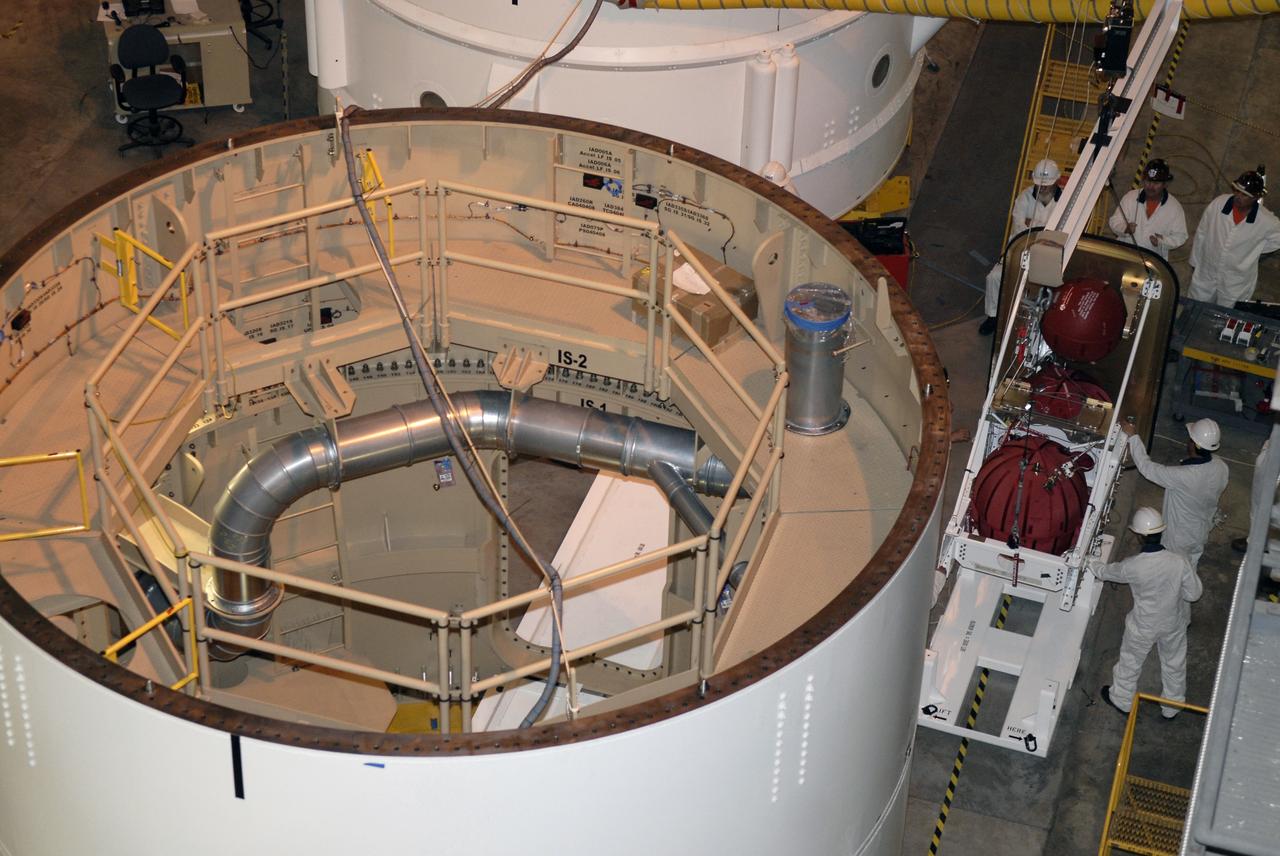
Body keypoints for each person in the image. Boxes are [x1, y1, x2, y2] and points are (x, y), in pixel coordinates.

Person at [1093, 506, 1203, 719]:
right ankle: (1172, 706)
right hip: (1173, 623)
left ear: (1139, 535)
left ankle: (1122, 699)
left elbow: (1107, 572)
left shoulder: (1133, 566)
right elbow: (1194, 594)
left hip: (1143, 626)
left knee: (1130, 661)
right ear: (1161, 532)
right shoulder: (1178, 561)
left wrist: (1090, 563)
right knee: (1174, 663)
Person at [1123, 417, 1228, 571]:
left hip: (1179, 539)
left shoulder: (1183, 476)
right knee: (1190, 567)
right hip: (1202, 531)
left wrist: (1133, 437)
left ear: (1194, 444)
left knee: (1172, 572)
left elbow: (1147, 468)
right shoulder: (1221, 467)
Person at [979, 159, 1062, 335]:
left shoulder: (1065, 202)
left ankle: (1043, 324)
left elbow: (1060, 233)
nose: (1043, 188)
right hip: (1020, 250)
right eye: (1040, 185)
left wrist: (1033, 224)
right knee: (994, 277)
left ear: (1057, 181)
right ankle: (993, 317)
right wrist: (1045, 230)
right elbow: (1019, 228)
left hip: (1048, 257)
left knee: (1050, 290)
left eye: (1047, 185)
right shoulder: (1024, 197)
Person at [1188, 167, 1280, 306]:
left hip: (1235, 282)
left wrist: (1253, 250)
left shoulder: (1266, 221)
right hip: (1206, 272)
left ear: (1256, 197)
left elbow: (1276, 241)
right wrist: (1195, 262)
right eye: (1237, 191)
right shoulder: (1219, 204)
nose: (1238, 196)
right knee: (1194, 306)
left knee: (1226, 317)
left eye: (1244, 195)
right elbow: (1202, 232)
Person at [1108, 158, 1188, 261]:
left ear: (1165, 184)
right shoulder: (1130, 197)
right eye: (1148, 181)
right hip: (1125, 255)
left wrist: (1162, 241)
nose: (1150, 186)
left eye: (1156, 183)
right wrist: (1125, 228)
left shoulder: (1175, 208)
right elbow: (1114, 220)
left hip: (1153, 261)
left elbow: (1181, 236)